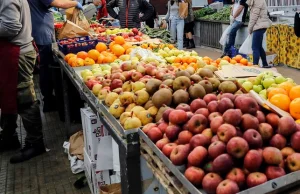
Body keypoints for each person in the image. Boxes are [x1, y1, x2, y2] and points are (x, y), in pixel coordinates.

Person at [0, 0, 46, 163]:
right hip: (12, 52)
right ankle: (8, 137)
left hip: (18, 53)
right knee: (7, 95)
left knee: (24, 98)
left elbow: (11, 27)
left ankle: (35, 142)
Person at [27, 0, 83, 112]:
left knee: (45, 67)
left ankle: (49, 99)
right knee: (46, 68)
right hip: (42, 34)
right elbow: (59, 3)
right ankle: (48, 101)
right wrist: (75, 3)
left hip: (39, 31)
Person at [248, 0, 271, 68]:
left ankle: (255, 66)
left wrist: (250, 29)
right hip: (260, 25)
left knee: (255, 47)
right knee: (259, 47)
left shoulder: (257, 1)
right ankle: (265, 64)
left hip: (259, 26)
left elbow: (254, 17)